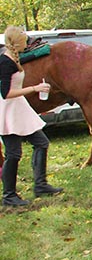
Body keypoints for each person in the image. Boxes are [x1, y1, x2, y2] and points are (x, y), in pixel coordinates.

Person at [1, 26, 64, 207]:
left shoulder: (15, 58)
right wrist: (34, 88)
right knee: (13, 154)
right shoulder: (5, 62)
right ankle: (9, 195)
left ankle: (40, 185)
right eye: (24, 40)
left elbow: (32, 55)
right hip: (8, 111)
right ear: (17, 42)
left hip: (19, 109)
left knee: (41, 143)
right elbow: (5, 93)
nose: (26, 43)